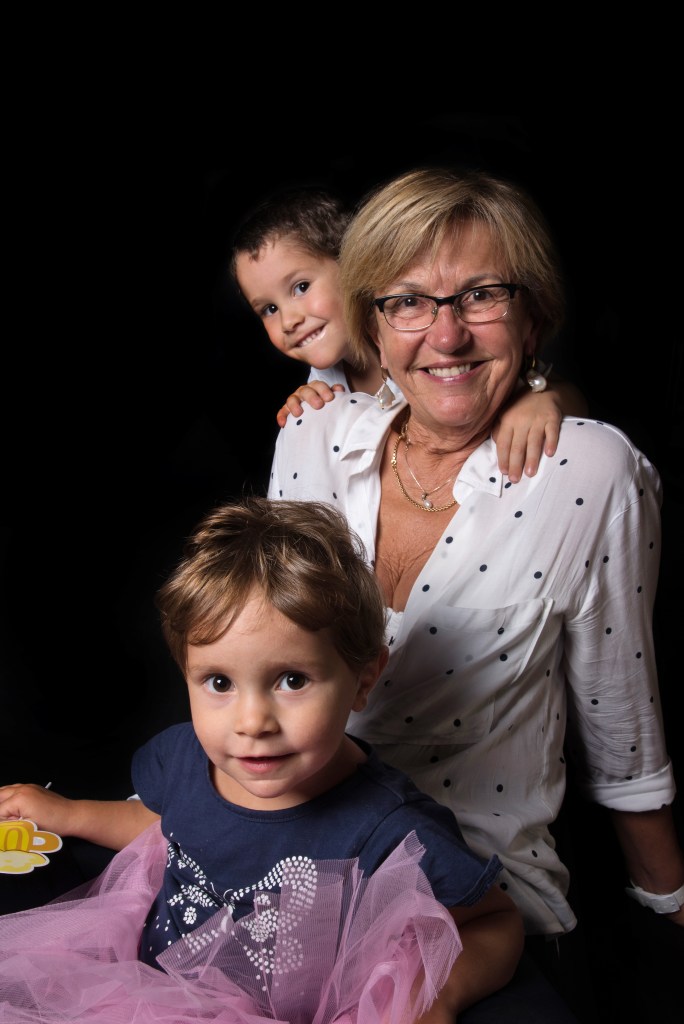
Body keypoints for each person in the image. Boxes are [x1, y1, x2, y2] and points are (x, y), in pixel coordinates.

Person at [267, 166, 684, 1020]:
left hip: (478, 905)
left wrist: (666, 901)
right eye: (407, 302)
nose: (447, 334)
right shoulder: (309, 436)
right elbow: (258, 669)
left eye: (483, 295)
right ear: (371, 324)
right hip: (284, 867)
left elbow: (619, 712)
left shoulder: (589, 471)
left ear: (534, 317)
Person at [0, 497, 526, 1024]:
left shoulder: (391, 828)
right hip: (144, 992)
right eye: (219, 682)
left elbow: (496, 922)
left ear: (363, 679)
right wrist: (70, 812)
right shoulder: (185, 757)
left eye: (292, 680)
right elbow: (167, 828)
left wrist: (439, 1000)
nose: (252, 722)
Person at [229, 184, 588, 484]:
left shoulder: (426, 338)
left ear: (356, 267)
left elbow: (554, 389)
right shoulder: (320, 390)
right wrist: (305, 407)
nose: (289, 320)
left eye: (301, 287)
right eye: (269, 309)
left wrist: (543, 399)